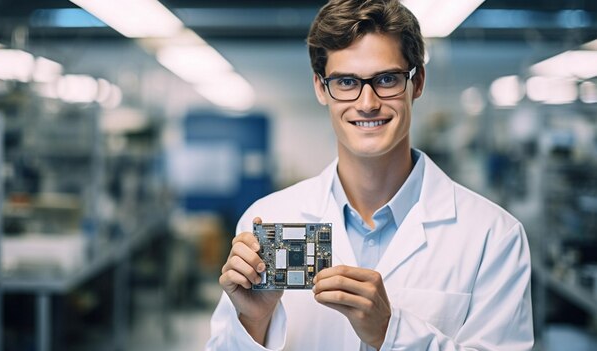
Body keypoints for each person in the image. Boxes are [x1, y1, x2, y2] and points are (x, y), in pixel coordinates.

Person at [206, 0, 533, 349]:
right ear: (321, 87)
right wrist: (254, 321)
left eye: (387, 79)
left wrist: (391, 332)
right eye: (346, 82)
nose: (367, 103)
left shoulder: (493, 236)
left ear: (417, 82)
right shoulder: (270, 220)